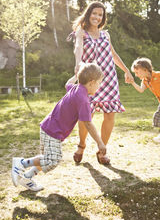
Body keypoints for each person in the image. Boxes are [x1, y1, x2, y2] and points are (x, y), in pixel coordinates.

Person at [11, 63, 106, 191]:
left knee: (48, 158)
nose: (99, 86)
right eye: (99, 83)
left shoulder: (76, 88)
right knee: (53, 160)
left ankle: (27, 177)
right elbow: (88, 123)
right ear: (91, 82)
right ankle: (21, 163)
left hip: (49, 127)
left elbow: (67, 83)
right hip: (52, 131)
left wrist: (76, 75)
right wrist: (100, 143)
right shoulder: (83, 99)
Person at [69, 1, 133, 165]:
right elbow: (78, 48)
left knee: (109, 114)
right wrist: (77, 64)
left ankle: (101, 150)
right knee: (86, 115)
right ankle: (81, 146)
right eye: (94, 13)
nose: (97, 17)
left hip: (109, 78)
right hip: (89, 80)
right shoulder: (81, 32)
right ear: (88, 14)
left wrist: (126, 70)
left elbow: (113, 53)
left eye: (100, 14)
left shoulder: (106, 34)